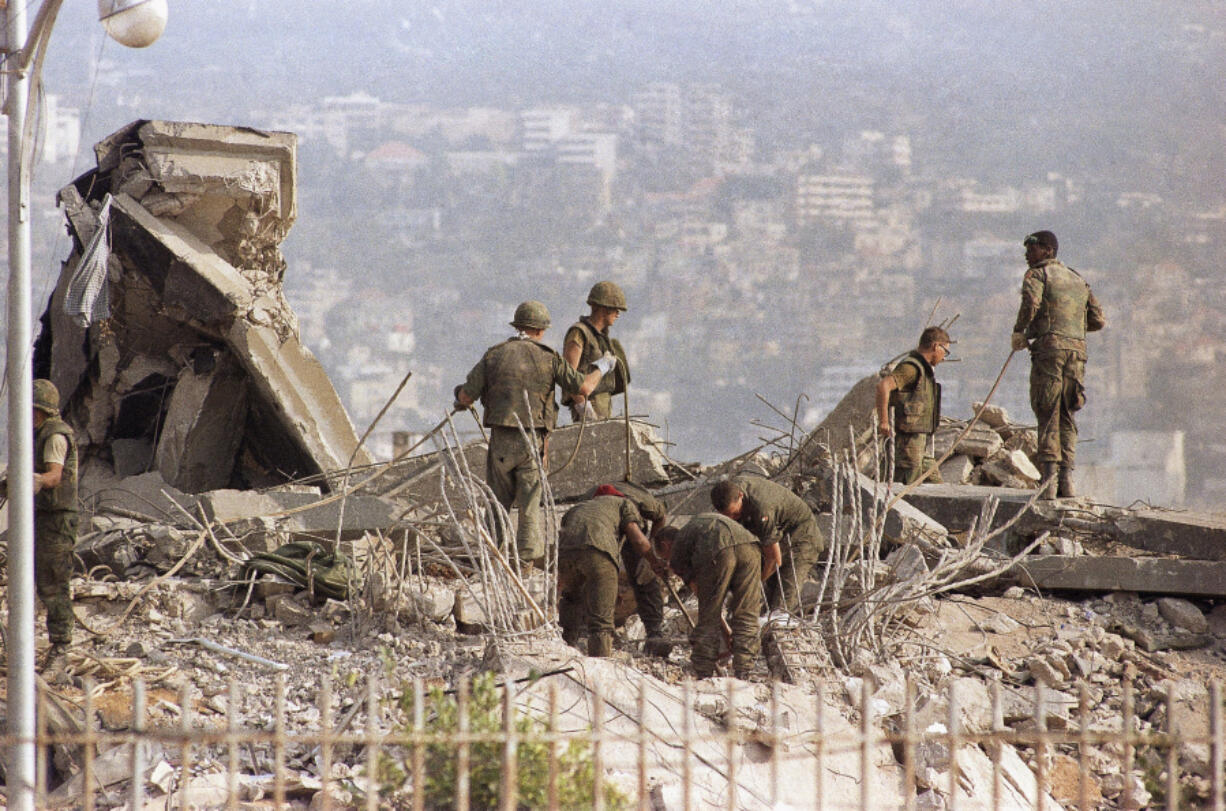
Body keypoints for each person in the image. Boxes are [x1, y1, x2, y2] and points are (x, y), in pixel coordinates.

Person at [455, 301, 615, 564]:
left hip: (501, 442)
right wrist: (603, 366)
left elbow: (464, 396)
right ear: (540, 330)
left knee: (496, 502)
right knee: (530, 504)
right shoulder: (549, 358)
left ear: (517, 326)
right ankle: (527, 563)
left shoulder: (494, 355)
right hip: (533, 440)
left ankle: (488, 560)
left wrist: (460, 396)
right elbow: (583, 388)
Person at [1010, 231, 1106, 498]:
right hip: (1077, 354)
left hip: (1049, 353)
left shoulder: (1038, 275)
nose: (1027, 254)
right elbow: (1098, 320)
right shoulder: (1078, 279)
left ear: (1048, 251)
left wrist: (1021, 330)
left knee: (1047, 409)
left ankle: (1049, 482)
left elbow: (1031, 301)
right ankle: (1067, 481)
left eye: (1033, 248)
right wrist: (1071, 326)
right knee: (1067, 413)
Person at [557, 487, 661, 657]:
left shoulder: (578, 507)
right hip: (598, 549)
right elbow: (638, 540)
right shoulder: (623, 503)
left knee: (571, 600)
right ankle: (600, 666)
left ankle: (565, 650)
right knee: (601, 624)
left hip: (565, 552)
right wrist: (654, 561)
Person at [668, 512, 771, 679]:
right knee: (747, 615)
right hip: (751, 547)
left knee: (708, 618)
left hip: (718, 547)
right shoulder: (699, 525)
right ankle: (744, 670)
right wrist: (727, 629)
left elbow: (703, 597)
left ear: (666, 546)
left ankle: (703, 671)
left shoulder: (680, 543)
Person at [711, 476, 818, 618]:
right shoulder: (728, 491)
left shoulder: (761, 508)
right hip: (778, 533)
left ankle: (781, 630)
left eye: (735, 514)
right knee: (770, 592)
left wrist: (754, 583)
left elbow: (774, 560)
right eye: (727, 516)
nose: (732, 519)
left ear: (741, 496)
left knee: (783, 601)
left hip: (802, 536)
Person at [32, 379, 78, 672]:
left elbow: (53, 477)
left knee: (54, 583)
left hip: (58, 519)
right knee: (38, 579)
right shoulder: (39, 433)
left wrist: (31, 480)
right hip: (43, 516)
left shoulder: (55, 436)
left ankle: (61, 651)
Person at [875, 326, 951, 485]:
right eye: (945, 351)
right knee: (907, 487)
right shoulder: (911, 368)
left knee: (936, 485)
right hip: (907, 446)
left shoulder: (923, 370)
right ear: (936, 346)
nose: (944, 357)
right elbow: (884, 386)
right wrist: (883, 421)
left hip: (919, 443)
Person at [562, 281, 629, 421]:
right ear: (604, 309)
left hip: (603, 408)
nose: (618, 314)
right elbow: (569, 378)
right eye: (615, 309)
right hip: (587, 410)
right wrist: (585, 410)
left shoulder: (603, 339)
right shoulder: (579, 333)